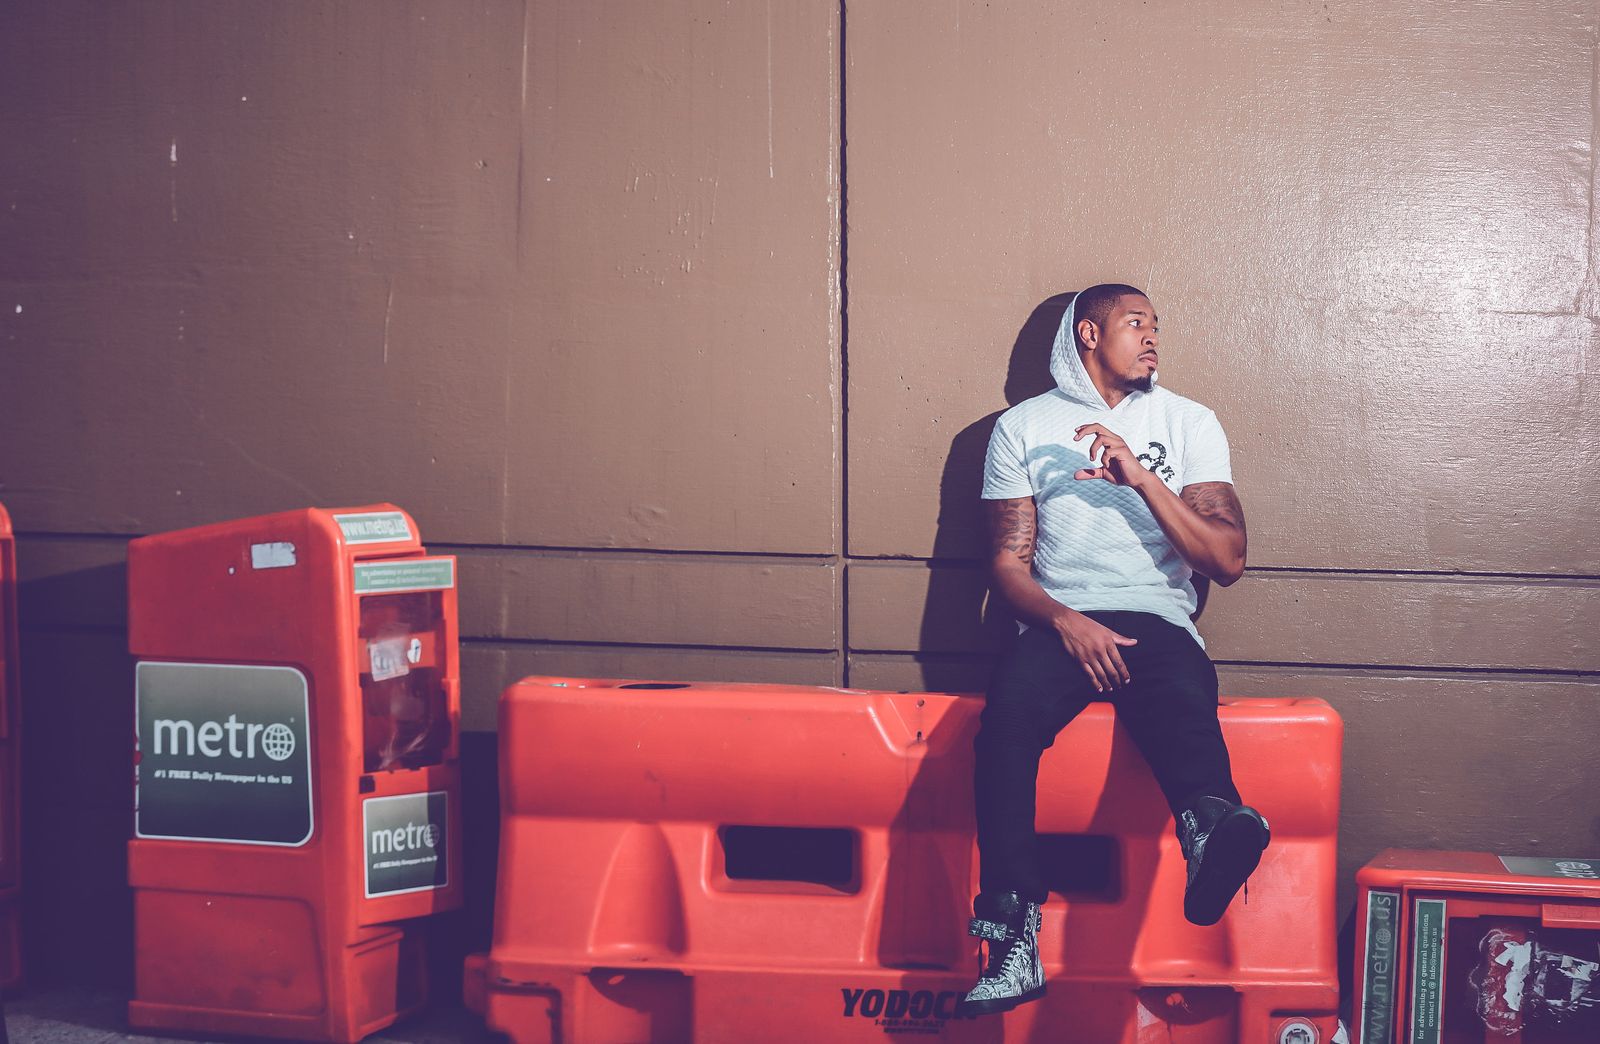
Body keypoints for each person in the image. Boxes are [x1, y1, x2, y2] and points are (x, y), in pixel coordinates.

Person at [958, 283, 1270, 1015]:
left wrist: (1141, 477)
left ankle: (1210, 834)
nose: (1152, 338)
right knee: (1004, 727)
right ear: (1089, 335)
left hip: (1157, 616)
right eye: (1136, 324)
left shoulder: (1188, 421)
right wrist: (1066, 621)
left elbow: (1225, 559)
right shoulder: (1022, 427)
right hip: (1059, 619)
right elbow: (1007, 564)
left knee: (1185, 694)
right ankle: (1012, 941)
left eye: (1156, 325)